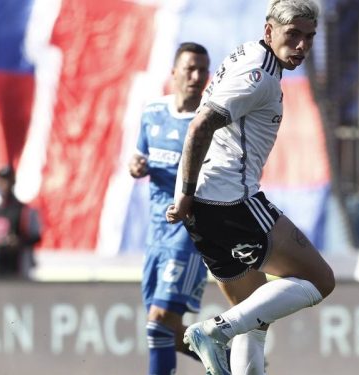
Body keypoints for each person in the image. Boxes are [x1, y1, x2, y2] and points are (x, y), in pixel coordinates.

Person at [165, 1, 334, 374]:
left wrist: (187, 197)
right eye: (294, 35)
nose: (302, 46)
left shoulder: (248, 52)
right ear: (270, 31)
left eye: (309, 37)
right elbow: (200, 126)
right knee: (319, 280)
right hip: (230, 200)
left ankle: (228, 341)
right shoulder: (260, 75)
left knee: (255, 316)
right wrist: (187, 193)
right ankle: (213, 330)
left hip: (204, 209)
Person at [129, 42, 212, 375]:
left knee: (159, 321)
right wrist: (137, 166)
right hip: (156, 233)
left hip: (188, 233)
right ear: (174, 72)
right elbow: (140, 158)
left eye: (202, 70)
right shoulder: (152, 113)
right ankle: (232, 360)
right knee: (162, 330)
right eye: (190, 68)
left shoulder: (209, 121)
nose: (196, 76)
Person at [0, 166, 42, 280]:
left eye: (8, 180)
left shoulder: (24, 210)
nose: (5, 184)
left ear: (13, 181)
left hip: (17, 266)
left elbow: (36, 237)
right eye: (2, 180)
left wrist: (18, 242)